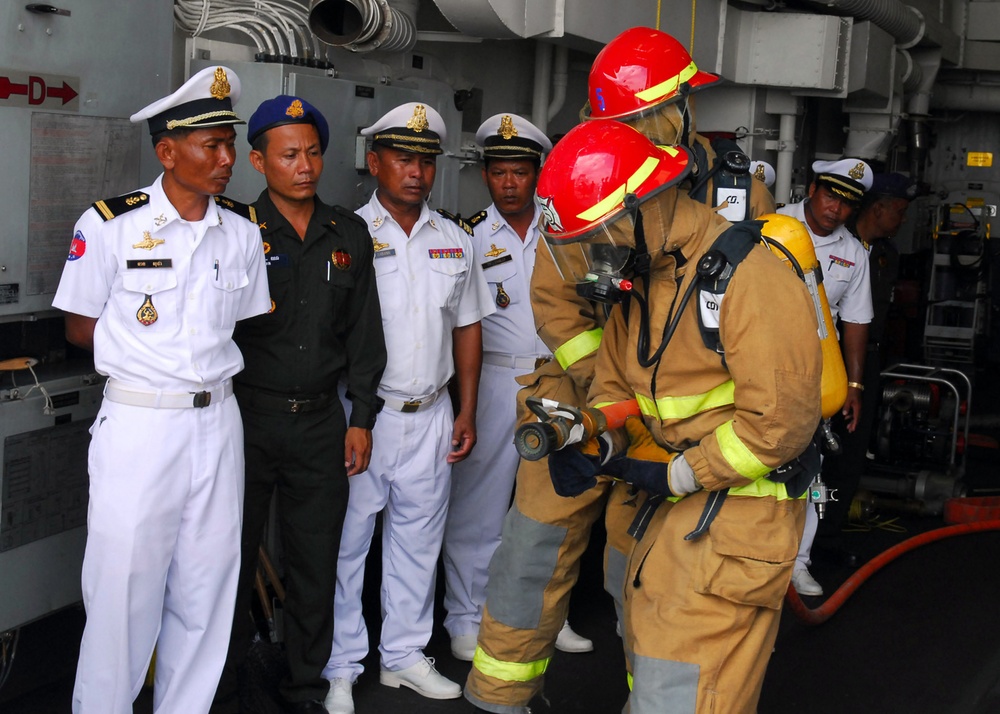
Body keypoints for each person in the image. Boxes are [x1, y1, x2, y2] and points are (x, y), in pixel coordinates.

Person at [466, 26, 774, 714]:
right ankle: (499, 696)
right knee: (531, 553)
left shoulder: (736, 191)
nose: (660, 123)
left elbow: (754, 305)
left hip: (680, 419)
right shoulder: (582, 175)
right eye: (638, 116)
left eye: (656, 112)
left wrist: (660, 399)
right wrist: (607, 392)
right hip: (580, 403)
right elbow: (554, 302)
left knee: (644, 572)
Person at [538, 118, 823, 714]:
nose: (598, 253)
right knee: (656, 683)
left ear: (650, 204)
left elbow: (779, 426)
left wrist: (677, 474)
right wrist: (596, 447)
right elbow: (619, 391)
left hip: (734, 530)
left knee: (683, 694)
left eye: (604, 231)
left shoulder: (753, 275)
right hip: (669, 525)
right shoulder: (644, 282)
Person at [51, 66, 270, 714]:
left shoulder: (241, 230)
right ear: (168, 151)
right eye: (213, 145)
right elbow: (81, 326)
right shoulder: (111, 225)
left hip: (218, 425)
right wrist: (149, 360)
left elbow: (245, 323)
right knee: (122, 601)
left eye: (230, 143)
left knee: (205, 596)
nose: (228, 158)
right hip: (142, 426)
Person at [211, 95, 386, 714]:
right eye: (289, 155)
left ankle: (305, 688)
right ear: (259, 161)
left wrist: (361, 417)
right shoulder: (232, 231)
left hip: (320, 422)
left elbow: (366, 336)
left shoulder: (349, 233)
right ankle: (223, 688)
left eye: (313, 152)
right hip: (246, 419)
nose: (305, 165)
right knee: (227, 564)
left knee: (316, 564)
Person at [322, 101, 494, 714]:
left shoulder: (456, 239)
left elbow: (468, 328)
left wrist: (466, 409)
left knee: (417, 542)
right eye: (403, 158)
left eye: (426, 160)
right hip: (363, 417)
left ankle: (401, 656)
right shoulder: (345, 236)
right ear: (374, 163)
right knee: (347, 544)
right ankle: (341, 664)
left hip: (433, 414)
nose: (417, 171)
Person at [441, 113, 592, 660]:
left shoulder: (569, 231)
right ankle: (464, 617)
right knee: (478, 508)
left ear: (537, 175)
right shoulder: (468, 236)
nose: (509, 183)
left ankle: (550, 616)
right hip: (497, 377)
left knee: (557, 507)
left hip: (560, 377)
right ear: (485, 176)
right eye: (499, 172)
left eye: (519, 172)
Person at [778, 158, 874, 596]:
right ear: (813, 188)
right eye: (830, 195)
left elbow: (855, 323)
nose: (835, 209)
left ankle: (799, 562)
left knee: (811, 472)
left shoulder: (853, 252)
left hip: (816, 369)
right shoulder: (772, 225)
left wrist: (853, 385)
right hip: (757, 362)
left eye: (846, 204)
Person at [815, 172, 915, 553]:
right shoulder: (837, 245)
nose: (902, 220)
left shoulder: (888, 254)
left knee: (851, 450)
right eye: (900, 212)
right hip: (831, 354)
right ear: (879, 208)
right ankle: (807, 537)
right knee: (820, 447)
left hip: (865, 361)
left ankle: (828, 535)